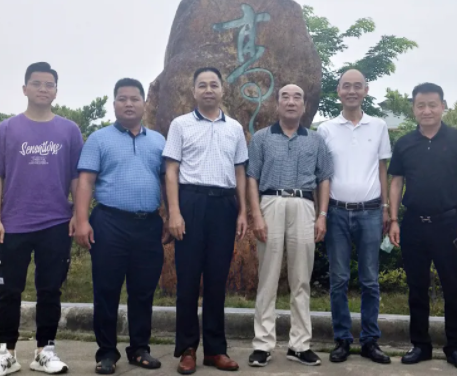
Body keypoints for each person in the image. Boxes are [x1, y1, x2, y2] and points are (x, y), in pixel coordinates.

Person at [0, 62, 83, 376]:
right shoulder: (7, 129)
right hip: (13, 224)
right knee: (8, 291)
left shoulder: (69, 130)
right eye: (36, 83)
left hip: (55, 223)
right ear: (25, 88)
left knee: (50, 291)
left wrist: (79, 215)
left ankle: (44, 351)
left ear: (56, 92)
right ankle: (6, 353)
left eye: (49, 84)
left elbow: (77, 179)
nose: (42, 89)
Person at [74, 78, 167, 375]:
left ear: (144, 103)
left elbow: (167, 181)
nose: (129, 104)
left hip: (148, 224)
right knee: (106, 290)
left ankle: (139, 348)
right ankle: (106, 353)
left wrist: (169, 216)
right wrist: (81, 220)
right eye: (122, 99)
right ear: (114, 104)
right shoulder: (99, 139)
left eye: (134, 98)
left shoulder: (159, 141)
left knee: (143, 290)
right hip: (109, 223)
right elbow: (85, 181)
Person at [163, 67, 248, 375]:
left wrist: (242, 211)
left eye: (214, 84)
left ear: (223, 90)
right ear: (194, 91)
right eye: (202, 85)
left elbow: (239, 171)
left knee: (216, 280)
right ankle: (187, 349)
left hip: (224, 206)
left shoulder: (234, 128)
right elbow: (171, 170)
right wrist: (174, 212)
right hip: (191, 202)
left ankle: (215, 350)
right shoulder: (180, 125)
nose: (208, 89)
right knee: (187, 281)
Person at [388, 82, 457, 370]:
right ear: (413, 109)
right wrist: (393, 219)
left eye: (432, 105)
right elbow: (396, 182)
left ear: (443, 106)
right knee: (416, 287)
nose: (426, 110)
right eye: (420, 105)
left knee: (453, 287)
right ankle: (420, 345)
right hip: (413, 223)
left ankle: (456, 348)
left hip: (449, 223)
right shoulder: (404, 143)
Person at [247, 84, 334, 368]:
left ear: (304, 105)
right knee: (268, 278)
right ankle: (263, 344)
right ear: (277, 104)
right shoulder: (261, 138)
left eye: (297, 97)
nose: (291, 101)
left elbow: (324, 178)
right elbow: (251, 177)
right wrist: (256, 215)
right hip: (270, 203)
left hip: (304, 205)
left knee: (301, 279)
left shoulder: (316, 140)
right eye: (285, 96)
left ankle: (300, 344)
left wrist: (322, 215)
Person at [316, 69, 391, 364]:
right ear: (338, 91)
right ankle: (342, 339)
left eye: (357, 86)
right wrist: (321, 213)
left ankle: (371, 340)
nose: (351, 91)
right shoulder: (326, 129)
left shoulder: (379, 126)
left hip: (371, 212)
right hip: (336, 212)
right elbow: (322, 175)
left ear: (366, 91)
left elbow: (383, 169)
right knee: (339, 280)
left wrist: (386, 208)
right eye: (346, 86)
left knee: (370, 280)